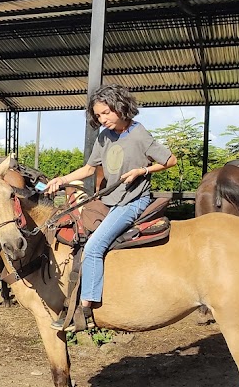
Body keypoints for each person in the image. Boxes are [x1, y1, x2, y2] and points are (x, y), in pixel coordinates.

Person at [44, 84, 176, 327]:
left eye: (106, 113)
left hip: (132, 202)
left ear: (120, 106)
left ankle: (85, 310)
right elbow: (89, 168)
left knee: (94, 247)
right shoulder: (104, 137)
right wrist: (62, 180)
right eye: (98, 115)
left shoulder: (139, 134)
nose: (102, 119)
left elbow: (170, 160)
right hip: (108, 201)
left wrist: (142, 171)